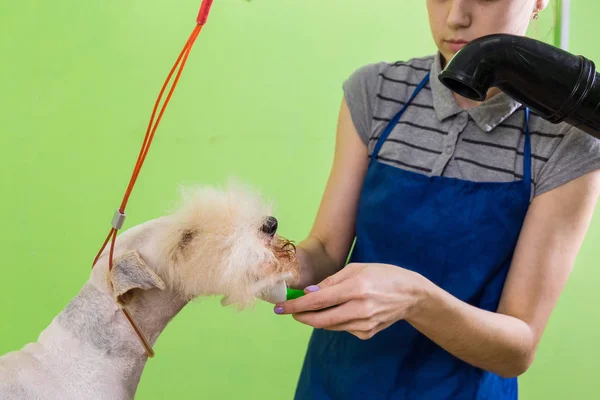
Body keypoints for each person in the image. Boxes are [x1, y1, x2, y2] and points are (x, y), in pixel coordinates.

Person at [273, 0, 600, 399]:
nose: (455, 17)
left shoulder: (572, 139)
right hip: (337, 383)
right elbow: (324, 250)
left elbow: (518, 347)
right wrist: (270, 263)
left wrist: (416, 298)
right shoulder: (375, 92)